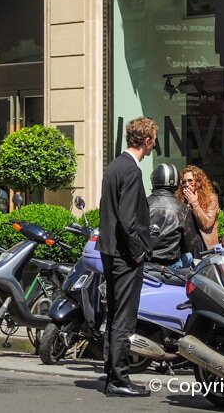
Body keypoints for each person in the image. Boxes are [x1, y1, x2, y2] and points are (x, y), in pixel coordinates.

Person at [97, 116, 156, 397]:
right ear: (146, 141)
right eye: (153, 140)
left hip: (109, 251)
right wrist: (139, 253)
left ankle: (111, 375)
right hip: (124, 254)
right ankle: (120, 379)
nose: (154, 145)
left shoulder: (113, 167)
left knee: (114, 314)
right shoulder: (131, 171)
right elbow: (127, 219)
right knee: (124, 318)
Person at [148, 163, 202, 269]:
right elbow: (189, 244)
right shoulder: (183, 209)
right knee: (189, 257)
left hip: (144, 261)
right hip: (170, 264)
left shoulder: (141, 204)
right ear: (176, 183)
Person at [176, 165, 220, 249]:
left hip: (204, 245)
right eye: (184, 182)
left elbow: (207, 225)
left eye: (190, 181)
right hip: (185, 245)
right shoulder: (181, 199)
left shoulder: (211, 198)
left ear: (199, 182)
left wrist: (194, 203)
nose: (187, 184)